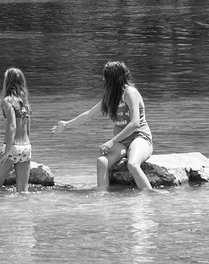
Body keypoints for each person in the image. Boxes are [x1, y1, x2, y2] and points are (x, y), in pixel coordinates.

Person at [52, 60, 154, 191]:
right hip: (122, 142)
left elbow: (135, 123)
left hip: (140, 138)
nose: (103, 80)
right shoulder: (110, 96)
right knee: (102, 162)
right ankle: (103, 199)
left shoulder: (130, 93)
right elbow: (89, 114)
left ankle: (150, 196)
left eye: (105, 77)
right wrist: (66, 125)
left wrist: (112, 141)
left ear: (112, 79)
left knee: (133, 164)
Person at [0, 68, 32, 194]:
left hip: (12, 147)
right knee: (23, 191)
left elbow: (12, 126)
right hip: (26, 147)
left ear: (7, 82)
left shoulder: (7, 101)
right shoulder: (25, 103)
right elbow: (28, 129)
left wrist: (7, 151)